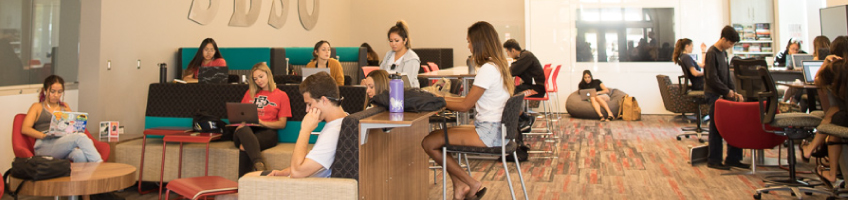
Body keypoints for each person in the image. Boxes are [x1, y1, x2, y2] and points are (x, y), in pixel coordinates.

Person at [422, 21, 512, 200]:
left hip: (489, 132)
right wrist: (442, 99)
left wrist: (439, 100)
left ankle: (471, 183)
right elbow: (467, 100)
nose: (469, 47)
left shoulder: (488, 69)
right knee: (439, 136)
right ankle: (460, 186)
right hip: (497, 130)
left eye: (469, 42)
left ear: (479, 43)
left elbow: (465, 106)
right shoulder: (498, 66)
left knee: (429, 142)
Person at [245, 72, 347, 178]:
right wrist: (284, 172)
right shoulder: (343, 121)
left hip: (301, 186)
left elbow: (297, 173)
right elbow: (314, 161)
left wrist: (305, 130)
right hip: (301, 179)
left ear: (324, 100)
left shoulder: (333, 132)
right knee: (248, 177)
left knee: (247, 179)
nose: (307, 110)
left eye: (309, 104)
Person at [20, 75, 102, 162]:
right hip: (44, 145)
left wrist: (76, 127)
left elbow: (73, 127)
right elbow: (25, 129)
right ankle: (100, 166)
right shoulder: (37, 107)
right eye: (52, 91)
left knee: (79, 154)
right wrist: (44, 136)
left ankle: (83, 175)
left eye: (59, 92)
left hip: (62, 142)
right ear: (45, 90)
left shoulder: (65, 107)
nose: (56, 95)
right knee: (80, 137)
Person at [800, 36, 848, 184]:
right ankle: (833, 171)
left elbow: (817, 80)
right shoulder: (842, 67)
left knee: (832, 115)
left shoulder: (836, 67)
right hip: (843, 113)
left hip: (843, 115)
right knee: (833, 114)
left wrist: (826, 62)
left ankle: (813, 151)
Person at [233, 62, 292, 176]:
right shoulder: (249, 93)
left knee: (244, 146)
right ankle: (259, 163)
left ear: (268, 75)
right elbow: (241, 115)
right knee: (244, 129)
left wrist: (261, 122)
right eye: (255, 79)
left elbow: (282, 124)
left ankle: (242, 185)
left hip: (267, 132)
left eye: (261, 77)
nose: (259, 81)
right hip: (246, 130)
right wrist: (243, 122)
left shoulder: (281, 95)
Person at [705, 26, 749, 170]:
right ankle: (714, 160)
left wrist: (733, 92)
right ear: (723, 39)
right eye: (730, 43)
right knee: (716, 128)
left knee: (734, 126)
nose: (731, 47)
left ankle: (733, 158)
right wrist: (726, 92)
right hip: (714, 95)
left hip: (724, 94)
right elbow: (712, 78)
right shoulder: (712, 52)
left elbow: (727, 76)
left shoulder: (724, 53)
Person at [379, 20, 421, 88]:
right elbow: (380, 75)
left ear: (405, 40)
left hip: (407, 94)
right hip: (387, 91)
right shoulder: (388, 55)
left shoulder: (412, 58)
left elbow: (406, 83)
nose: (393, 44)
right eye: (391, 41)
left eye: (397, 41)